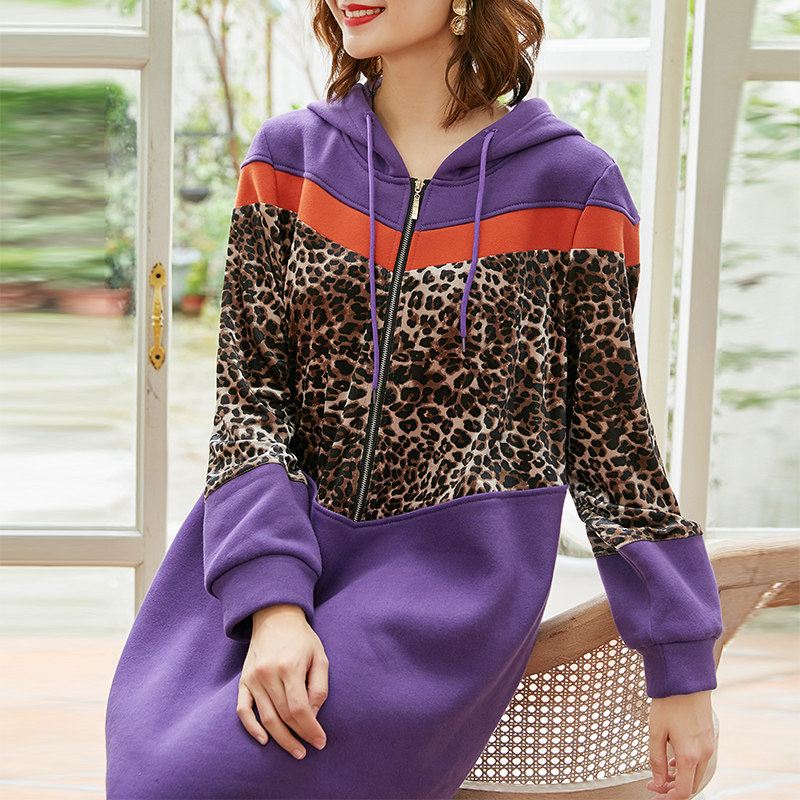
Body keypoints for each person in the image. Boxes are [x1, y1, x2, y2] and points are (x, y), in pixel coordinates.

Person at [105, 1, 724, 798]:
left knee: (209, 776)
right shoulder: (288, 162)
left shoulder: (574, 189)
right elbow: (250, 400)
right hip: (261, 549)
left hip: (443, 594)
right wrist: (274, 605)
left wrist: (681, 667)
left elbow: (613, 442)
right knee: (151, 762)